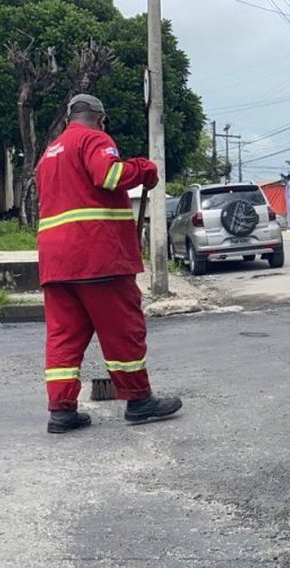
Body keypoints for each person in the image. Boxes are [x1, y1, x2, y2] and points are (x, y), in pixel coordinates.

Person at [36, 93, 183, 434]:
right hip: (98, 256)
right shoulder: (94, 139)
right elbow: (109, 176)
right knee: (123, 331)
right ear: (102, 119)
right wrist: (143, 169)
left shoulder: (49, 153)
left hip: (56, 263)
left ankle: (61, 411)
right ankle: (139, 401)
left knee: (63, 338)